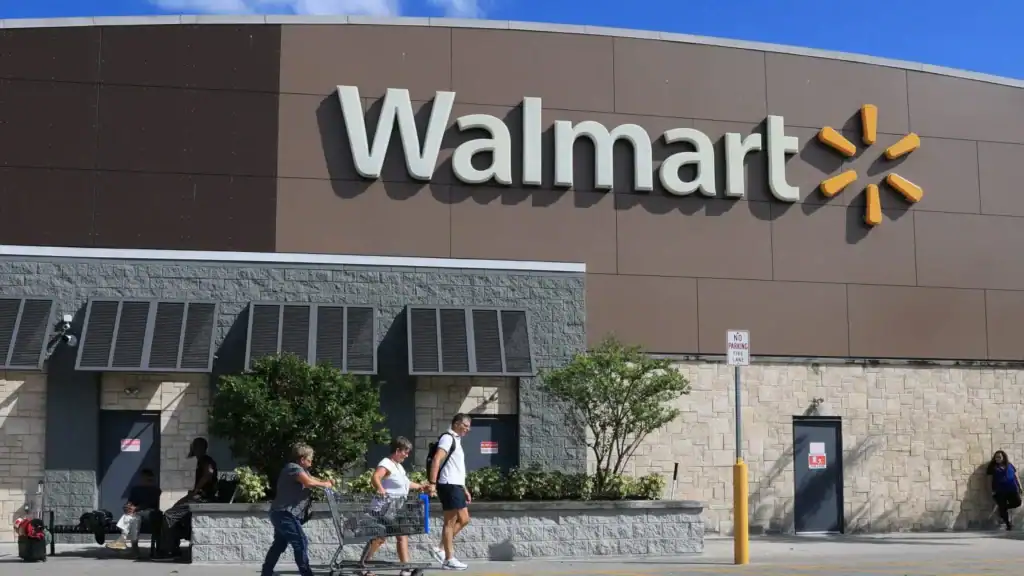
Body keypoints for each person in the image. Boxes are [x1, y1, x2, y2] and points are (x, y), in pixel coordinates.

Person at [360, 437, 432, 575]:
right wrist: (380, 488)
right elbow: (375, 477)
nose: (407, 455)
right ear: (398, 450)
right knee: (381, 537)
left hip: (395, 509)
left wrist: (420, 487)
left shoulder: (398, 466)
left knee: (398, 535)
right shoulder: (386, 463)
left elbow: (406, 483)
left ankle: (405, 569)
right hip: (383, 509)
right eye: (405, 451)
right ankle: (364, 565)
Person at [261, 442, 333, 576]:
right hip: (285, 513)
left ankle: (266, 572)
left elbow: (312, 478)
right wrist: (325, 484)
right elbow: (309, 482)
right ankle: (306, 573)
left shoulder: (301, 470)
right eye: (310, 460)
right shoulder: (293, 468)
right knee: (301, 542)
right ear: (302, 459)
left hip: (280, 513)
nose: (311, 463)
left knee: (279, 544)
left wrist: (325, 482)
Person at [153, 437, 218, 560]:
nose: (193, 448)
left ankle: (169, 551)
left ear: (201, 448)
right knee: (173, 512)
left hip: (201, 499)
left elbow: (209, 473)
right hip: (196, 497)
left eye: (195, 446)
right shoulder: (201, 460)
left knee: (169, 515)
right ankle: (174, 548)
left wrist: (195, 491)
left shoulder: (205, 460)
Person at [428, 414, 472, 571]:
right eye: (466, 425)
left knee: (465, 519)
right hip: (448, 484)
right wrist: (432, 483)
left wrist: (464, 488)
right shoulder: (448, 438)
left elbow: (455, 467)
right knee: (450, 522)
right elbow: (436, 460)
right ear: (456, 423)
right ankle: (449, 558)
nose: (468, 429)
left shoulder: (457, 440)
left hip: (456, 485)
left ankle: (440, 548)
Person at [106, 468, 162, 550]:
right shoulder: (136, 489)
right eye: (142, 477)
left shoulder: (155, 490)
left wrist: (135, 508)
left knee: (133, 516)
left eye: (147, 478)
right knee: (132, 517)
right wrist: (128, 506)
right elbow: (131, 501)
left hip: (150, 513)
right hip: (136, 513)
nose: (143, 480)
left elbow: (149, 503)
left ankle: (125, 542)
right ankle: (125, 542)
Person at [986, 450, 1022, 530]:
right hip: (999, 491)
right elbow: (989, 480)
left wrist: (1020, 486)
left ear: (1003, 457)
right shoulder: (992, 467)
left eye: (999, 457)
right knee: (1002, 507)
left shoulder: (1009, 465)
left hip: (1011, 489)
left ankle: (1002, 508)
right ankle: (1008, 525)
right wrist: (990, 491)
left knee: (1018, 502)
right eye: (996, 457)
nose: (997, 458)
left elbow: (1016, 476)